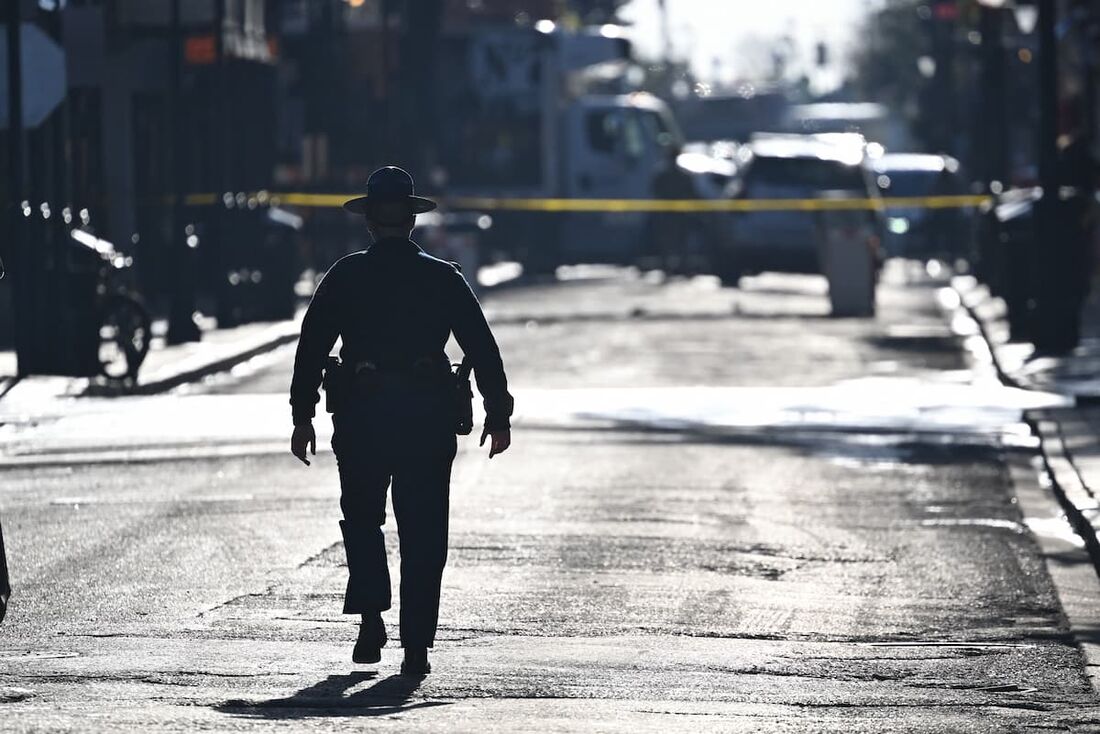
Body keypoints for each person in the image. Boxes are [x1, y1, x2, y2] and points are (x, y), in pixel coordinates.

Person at [289, 166, 513, 675]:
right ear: (411, 221)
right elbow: (482, 347)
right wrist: (498, 412)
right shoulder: (443, 277)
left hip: (362, 415)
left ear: (368, 222)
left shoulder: (344, 276)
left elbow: (311, 350)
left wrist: (302, 416)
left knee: (364, 520)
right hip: (426, 418)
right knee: (424, 530)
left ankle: (371, 616)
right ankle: (416, 645)